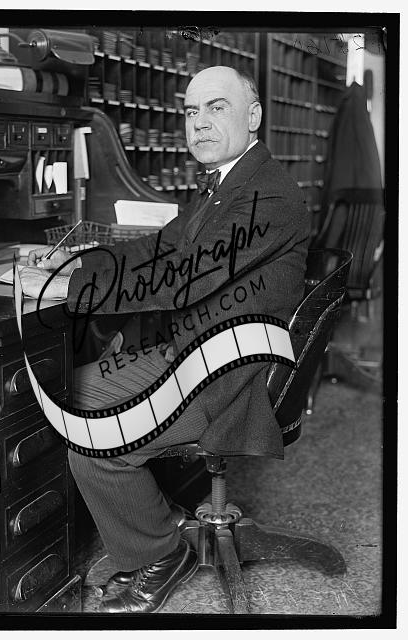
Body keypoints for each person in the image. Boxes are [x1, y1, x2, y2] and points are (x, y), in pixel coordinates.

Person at [21, 66, 311, 614]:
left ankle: (159, 553)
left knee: (87, 424)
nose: (199, 123)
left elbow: (181, 279)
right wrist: (76, 261)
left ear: (253, 116)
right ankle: (159, 523)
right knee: (74, 386)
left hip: (230, 377)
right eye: (191, 111)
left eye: (217, 108)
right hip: (198, 352)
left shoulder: (267, 195)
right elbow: (161, 248)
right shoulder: (228, 182)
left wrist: (69, 287)